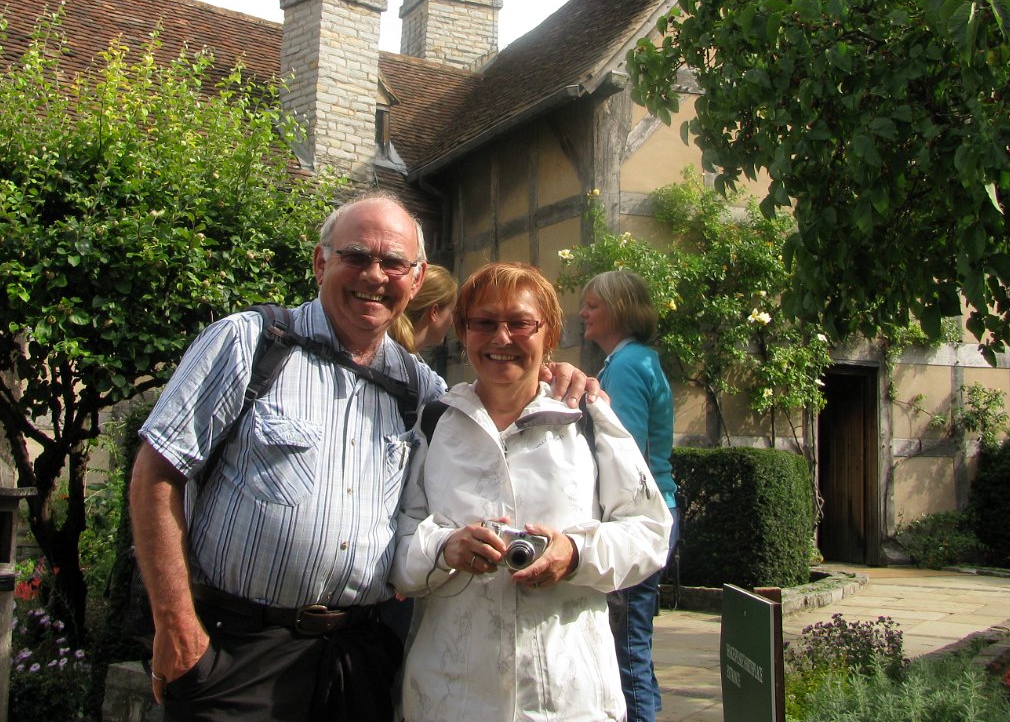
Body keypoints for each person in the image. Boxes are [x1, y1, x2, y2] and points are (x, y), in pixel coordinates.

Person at [129, 193, 601, 722]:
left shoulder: (421, 390)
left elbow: (496, 398)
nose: (374, 276)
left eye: (393, 262)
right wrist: (175, 627)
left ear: (416, 280)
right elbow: (156, 471)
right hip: (240, 653)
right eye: (356, 256)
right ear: (320, 262)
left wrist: (554, 377)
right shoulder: (251, 343)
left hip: (359, 660)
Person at [391, 262, 672, 722]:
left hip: (567, 699)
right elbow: (397, 553)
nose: (501, 338)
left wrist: (574, 553)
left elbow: (650, 531)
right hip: (451, 698)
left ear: (549, 333)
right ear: (463, 332)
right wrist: (445, 548)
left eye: (521, 323)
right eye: (484, 323)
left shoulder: (586, 419)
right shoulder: (436, 423)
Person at [580, 269, 679, 722]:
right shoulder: (636, 360)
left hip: (639, 519)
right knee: (634, 640)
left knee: (626, 648)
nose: (583, 313)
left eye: (593, 306)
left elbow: (625, 451)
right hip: (658, 510)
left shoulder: (625, 365)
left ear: (618, 311)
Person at [387, 264, 458, 355]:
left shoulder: (383, 347)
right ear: (434, 312)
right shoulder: (391, 356)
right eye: (452, 312)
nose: (452, 323)